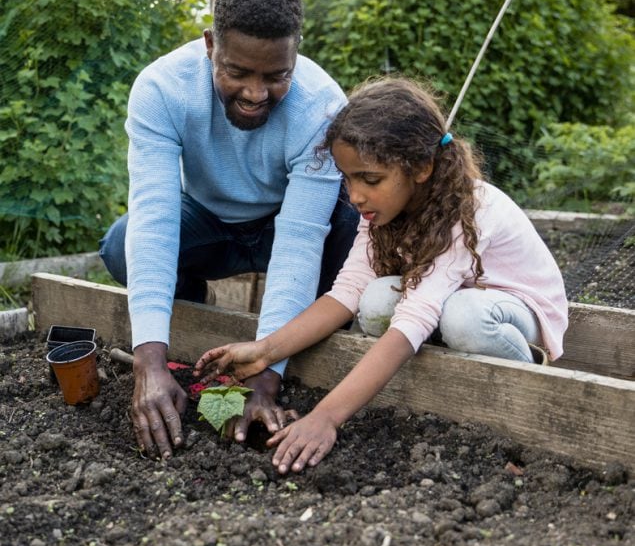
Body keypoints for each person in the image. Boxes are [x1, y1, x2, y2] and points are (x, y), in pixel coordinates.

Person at [193, 76, 569, 475]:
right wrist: (265, 350)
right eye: (349, 178)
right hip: (448, 303)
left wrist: (326, 417)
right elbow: (347, 292)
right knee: (374, 299)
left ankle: (532, 372)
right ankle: (445, 373)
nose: (355, 196)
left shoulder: (466, 209)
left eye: (370, 179)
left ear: (421, 167)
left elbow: (415, 317)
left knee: (464, 317)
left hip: (514, 313)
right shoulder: (379, 214)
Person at [99, 0, 358, 460]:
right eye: (238, 72)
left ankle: (317, 340)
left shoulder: (321, 107)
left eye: (275, 75)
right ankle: (186, 333)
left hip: (284, 222)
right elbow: (155, 216)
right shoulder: (162, 88)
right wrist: (148, 361)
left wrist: (264, 382)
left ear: (295, 56)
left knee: (349, 218)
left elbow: (300, 242)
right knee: (121, 243)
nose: (256, 93)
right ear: (210, 45)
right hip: (208, 220)